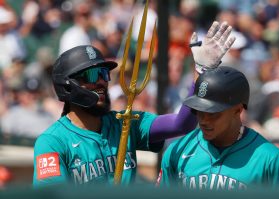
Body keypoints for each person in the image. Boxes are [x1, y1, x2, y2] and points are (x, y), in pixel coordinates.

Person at [33, 21, 236, 187]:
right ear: (68, 86)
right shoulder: (52, 142)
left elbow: (181, 124)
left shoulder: (125, 122)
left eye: (104, 74)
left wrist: (201, 71)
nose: (102, 81)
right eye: (93, 75)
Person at [156, 66, 279, 190]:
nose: (204, 120)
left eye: (213, 113)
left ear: (238, 110)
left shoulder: (270, 159)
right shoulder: (178, 150)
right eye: (199, 111)